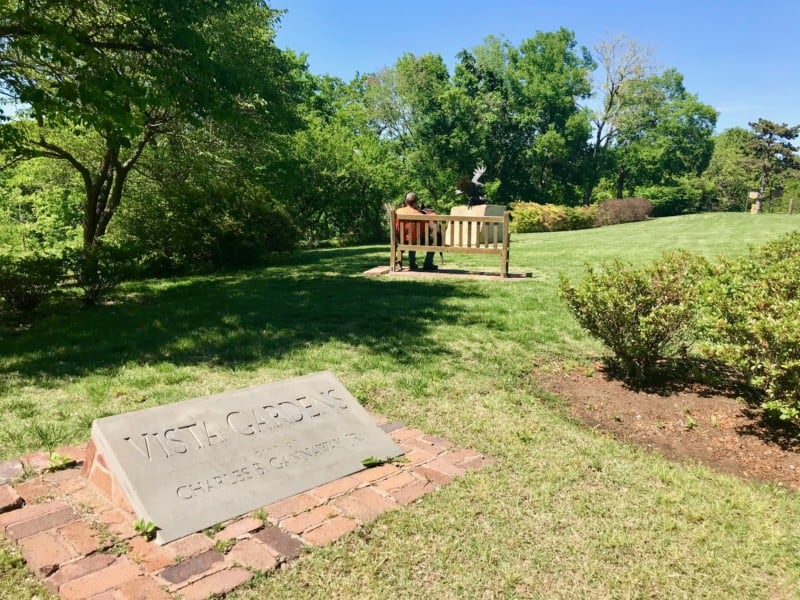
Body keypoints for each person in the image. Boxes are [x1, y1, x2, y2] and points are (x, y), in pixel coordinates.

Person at [396, 192, 438, 271]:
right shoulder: (420, 215)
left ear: (406, 201)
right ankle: (428, 264)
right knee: (433, 242)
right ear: (415, 203)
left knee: (411, 239)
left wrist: (398, 237)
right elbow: (423, 231)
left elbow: (396, 227)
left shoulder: (397, 211)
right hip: (414, 240)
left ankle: (412, 264)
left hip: (400, 240)